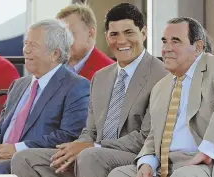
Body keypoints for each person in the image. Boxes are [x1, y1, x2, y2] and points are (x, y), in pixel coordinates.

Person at [11, 3, 168, 177]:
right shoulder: (100, 77)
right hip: (92, 153)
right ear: (107, 38)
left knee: (89, 156)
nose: (122, 40)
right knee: (24, 158)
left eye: (129, 32)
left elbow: (145, 137)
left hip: (135, 155)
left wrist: (93, 146)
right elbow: (90, 131)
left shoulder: (161, 75)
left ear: (144, 33)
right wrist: (74, 148)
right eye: (114, 34)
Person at [108, 17, 214, 177]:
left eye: (176, 41)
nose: (166, 48)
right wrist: (147, 162)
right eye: (164, 41)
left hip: (209, 163)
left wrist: (208, 150)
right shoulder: (160, 87)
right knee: (119, 174)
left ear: (198, 47)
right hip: (165, 164)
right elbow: (154, 135)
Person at [0, 19, 90, 174]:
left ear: (55, 54)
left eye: (33, 45)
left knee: (1, 169)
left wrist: (16, 149)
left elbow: (68, 136)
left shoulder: (77, 86)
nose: (25, 50)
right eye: (25, 43)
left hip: (34, 162)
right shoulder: (18, 85)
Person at [56, 3, 115, 80]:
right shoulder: (54, 66)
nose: (63, 41)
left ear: (90, 33)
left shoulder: (111, 73)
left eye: (69, 34)